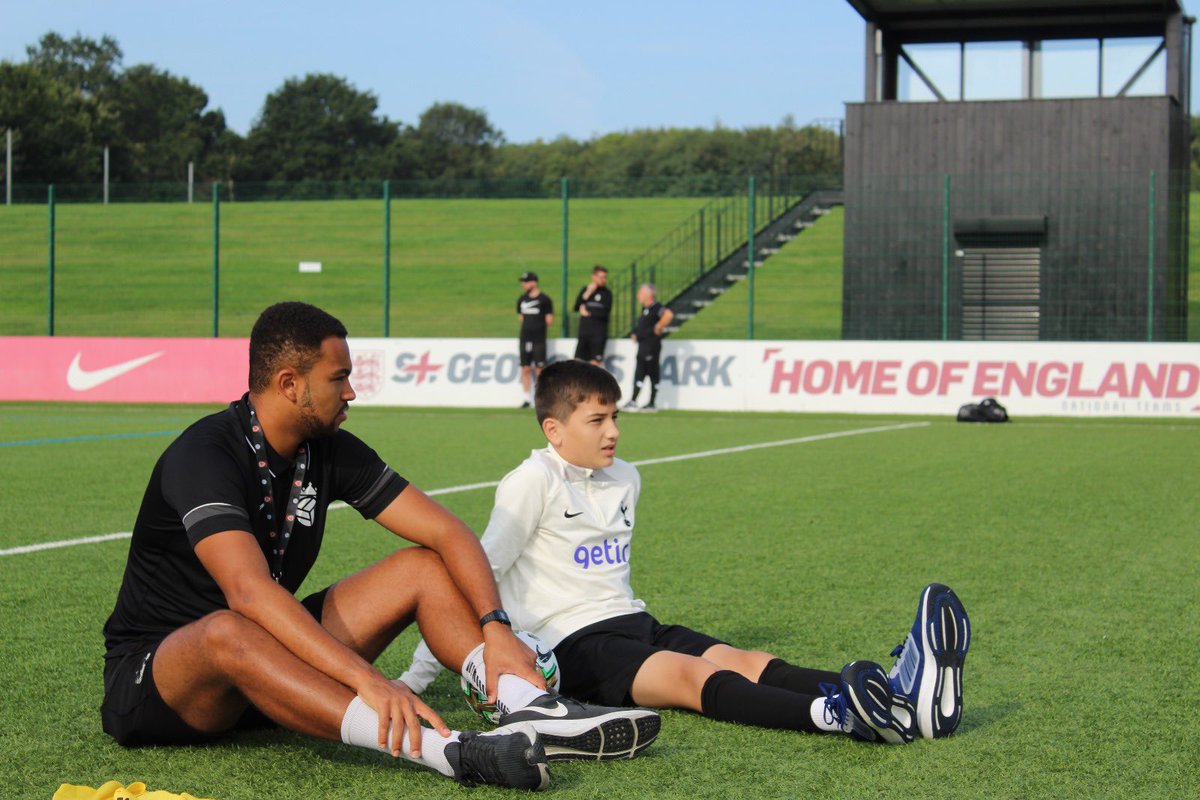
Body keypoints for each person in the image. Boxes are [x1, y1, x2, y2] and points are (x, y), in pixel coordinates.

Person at [100, 302, 659, 791]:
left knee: (421, 566)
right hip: (161, 680)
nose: (352, 390)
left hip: (272, 667)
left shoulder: (327, 448)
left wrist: (496, 629)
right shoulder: (204, 454)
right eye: (339, 377)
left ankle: (526, 706)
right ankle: (450, 752)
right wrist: (365, 678)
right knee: (230, 627)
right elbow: (246, 593)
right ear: (291, 383)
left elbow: (447, 532)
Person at [399, 360, 971, 745]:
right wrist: (418, 677)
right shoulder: (530, 481)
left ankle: (897, 697)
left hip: (634, 622)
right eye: (596, 420)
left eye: (615, 417)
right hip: (572, 643)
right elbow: (481, 572)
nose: (612, 431)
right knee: (689, 677)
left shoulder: (627, 478)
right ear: (553, 429)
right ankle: (840, 716)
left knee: (744, 659)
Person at [624, 284, 673, 412]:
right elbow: (643, 326)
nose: (638, 296)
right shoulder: (645, 309)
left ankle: (650, 403)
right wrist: (636, 333)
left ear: (648, 295)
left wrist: (659, 326)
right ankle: (634, 401)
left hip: (651, 346)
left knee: (650, 374)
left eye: (640, 293)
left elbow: (668, 315)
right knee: (640, 373)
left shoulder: (657, 307)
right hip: (643, 345)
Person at [517, 271, 554, 409]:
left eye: (526, 281)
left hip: (538, 338)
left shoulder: (545, 300)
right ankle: (526, 398)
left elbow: (549, 320)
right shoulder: (522, 299)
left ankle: (540, 398)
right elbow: (521, 318)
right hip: (525, 338)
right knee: (525, 368)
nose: (523, 284)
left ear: (534, 282)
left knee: (539, 369)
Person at [572, 265, 612, 366]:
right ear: (593, 277)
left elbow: (605, 312)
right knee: (578, 362)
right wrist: (588, 293)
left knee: (596, 364)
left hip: (598, 334)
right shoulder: (585, 290)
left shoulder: (607, 293)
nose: (603, 280)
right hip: (584, 332)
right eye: (600, 277)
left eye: (605, 277)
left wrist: (589, 313)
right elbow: (576, 307)